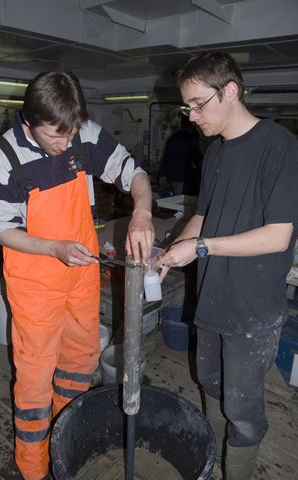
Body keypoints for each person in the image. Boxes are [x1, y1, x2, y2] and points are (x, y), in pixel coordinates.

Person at [0, 71, 154, 480]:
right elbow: (2, 230)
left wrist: (143, 211)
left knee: (80, 362)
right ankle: (35, 467)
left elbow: (135, 172)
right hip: (35, 281)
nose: (64, 144)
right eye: (53, 136)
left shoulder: (82, 134)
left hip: (80, 276)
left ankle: (67, 441)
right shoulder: (0, 158)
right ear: (28, 122)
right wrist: (54, 248)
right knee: (36, 378)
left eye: (70, 134)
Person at [156, 51, 298, 480]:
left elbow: (279, 235)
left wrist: (200, 249)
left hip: (253, 307)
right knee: (211, 385)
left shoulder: (279, 146)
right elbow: (204, 215)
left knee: (244, 408)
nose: (192, 115)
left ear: (231, 90)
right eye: (188, 106)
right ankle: (212, 461)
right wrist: (170, 252)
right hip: (213, 298)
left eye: (198, 103)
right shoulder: (215, 152)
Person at [158, 126, 202, 196]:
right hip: (184, 175)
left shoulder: (172, 138)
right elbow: (197, 159)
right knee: (181, 197)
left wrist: (162, 174)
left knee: (174, 196)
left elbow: (166, 158)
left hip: (172, 174)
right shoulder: (192, 140)